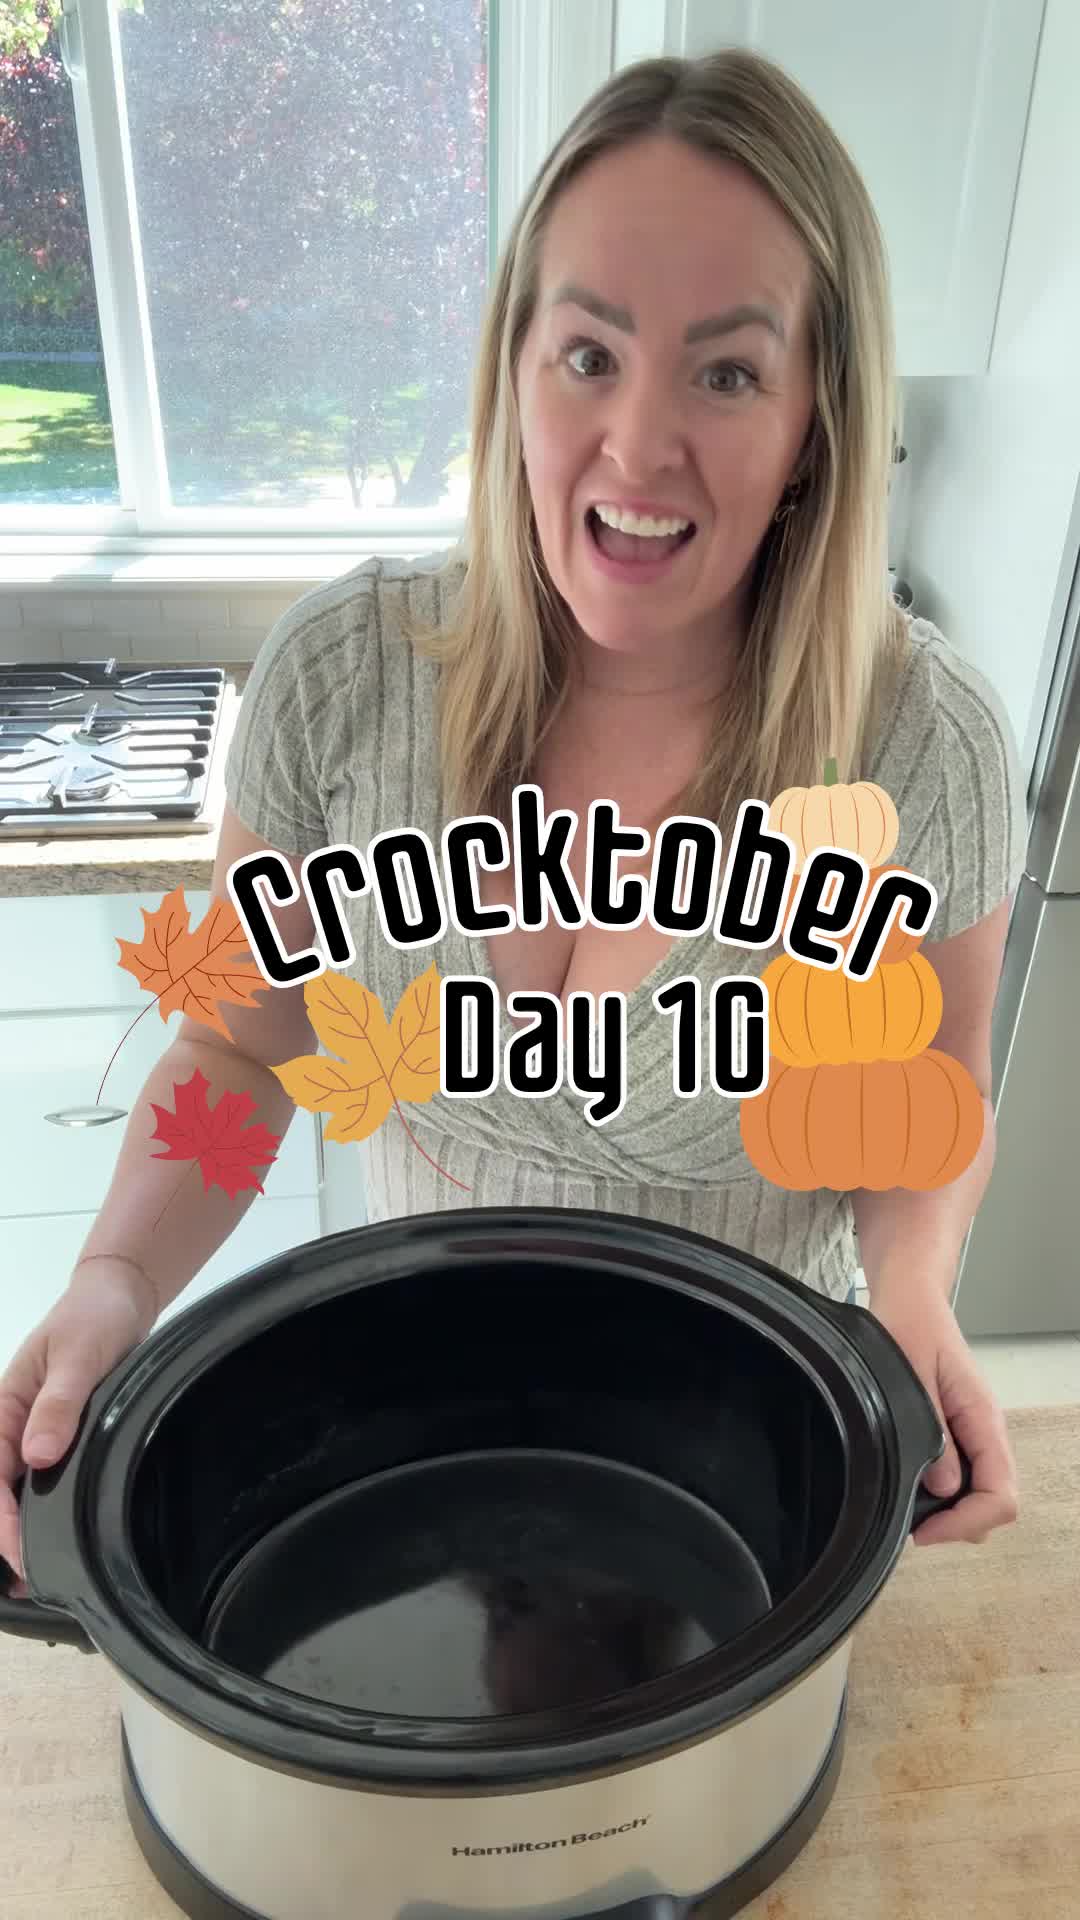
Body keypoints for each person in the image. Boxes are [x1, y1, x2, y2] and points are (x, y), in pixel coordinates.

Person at [0, 48, 1026, 1581]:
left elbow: (924, 1100)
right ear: (513, 368)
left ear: (818, 413)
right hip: (408, 1448)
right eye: (590, 354)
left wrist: (918, 1296)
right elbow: (237, 1046)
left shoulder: (923, 745)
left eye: (727, 373)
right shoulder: (343, 683)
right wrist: (111, 1279)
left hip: (749, 1479)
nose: (639, 446)